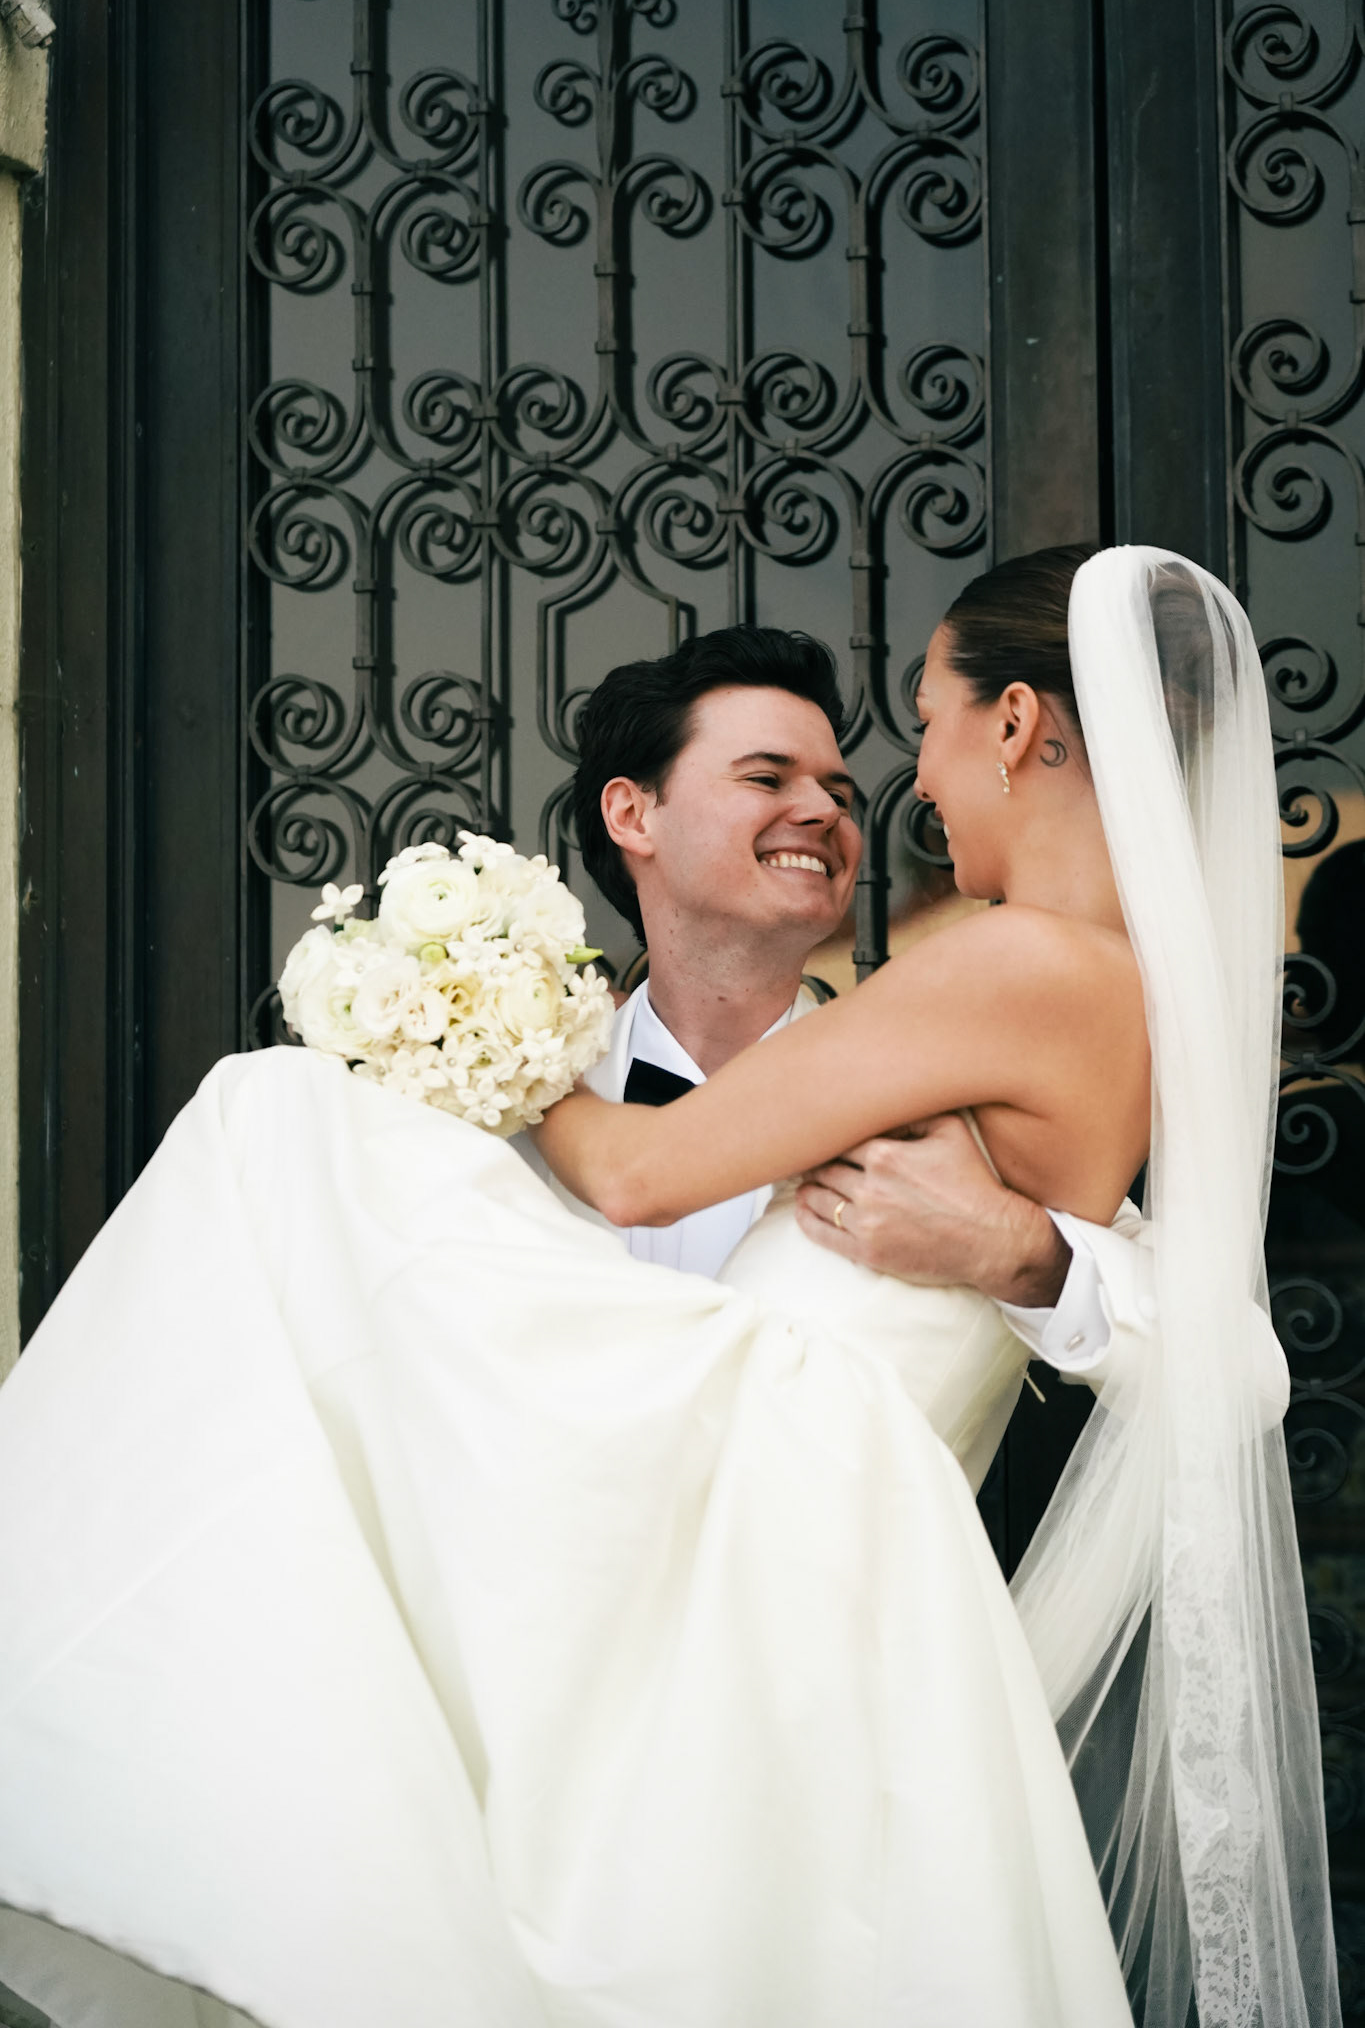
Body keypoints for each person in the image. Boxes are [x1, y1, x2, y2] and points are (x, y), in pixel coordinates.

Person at [0, 548, 1333, 2028]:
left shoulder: (1012, 961)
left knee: (272, 1118)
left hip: (764, 1482)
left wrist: (463, 1011)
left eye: (927, 723)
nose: (911, 787)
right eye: (772, 774)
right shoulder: (1132, 990)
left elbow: (638, 1175)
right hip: (802, 1518)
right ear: (633, 817)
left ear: (1016, 724)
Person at [518, 624, 1156, 1405]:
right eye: (766, 778)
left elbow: (1240, 1371)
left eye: (839, 794)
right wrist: (506, 1050)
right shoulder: (483, 1098)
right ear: (632, 815)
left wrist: (1024, 1255)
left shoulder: (948, 1097)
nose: (823, 810)